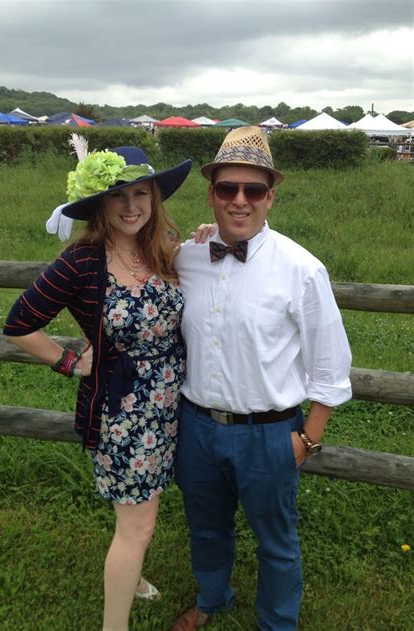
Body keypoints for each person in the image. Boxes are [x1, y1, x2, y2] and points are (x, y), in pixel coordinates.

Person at [3, 146, 192, 631]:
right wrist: (69, 362)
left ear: (154, 197)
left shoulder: (162, 249)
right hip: (124, 410)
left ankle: (132, 576)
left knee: (140, 512)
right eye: (118, 197)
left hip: (172, 403)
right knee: (139, 523)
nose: (131, 206)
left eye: (140, 194)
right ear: (100, 205)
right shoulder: (83, 261)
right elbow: (20, 323)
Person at [171, 127, 352, 631]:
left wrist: (307, 440)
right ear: (211, 194)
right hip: (198, 428)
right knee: (206, 530)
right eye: (228, 188)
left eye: (254, 190)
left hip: (271, 433)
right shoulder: (186, 257)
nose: (240, 200)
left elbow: (331, 366)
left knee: (277, 541)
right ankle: (213, 599)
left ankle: (276, 623)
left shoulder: (302, 269)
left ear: (271, 196)